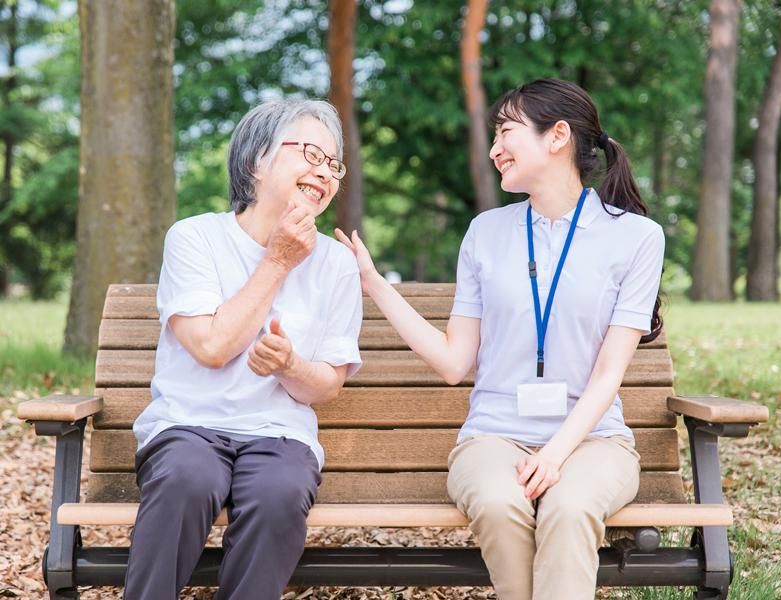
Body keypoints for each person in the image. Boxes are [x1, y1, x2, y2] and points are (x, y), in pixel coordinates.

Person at [336, 78, 664, 599]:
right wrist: (374, 283)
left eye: (506, 132)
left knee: (569, 507)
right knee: (497, 502)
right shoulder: (485, 232)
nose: (494, 149)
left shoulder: (637, 237)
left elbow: (609, 374)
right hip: (493, 438)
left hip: (595, 441)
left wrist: (553, 456)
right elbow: (453, 362)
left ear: (557, 136)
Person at [125, 99, 363, 600]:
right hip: (188, 425)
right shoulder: (194, 238)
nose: (324, 172)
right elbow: (211, 347)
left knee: (280, 492)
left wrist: (290, 365)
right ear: (256, 161)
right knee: (187, 478)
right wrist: (277, 261)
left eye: (333, 163)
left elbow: (327, 386)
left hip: (280, 434)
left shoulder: (336, 263)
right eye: (310, 155)